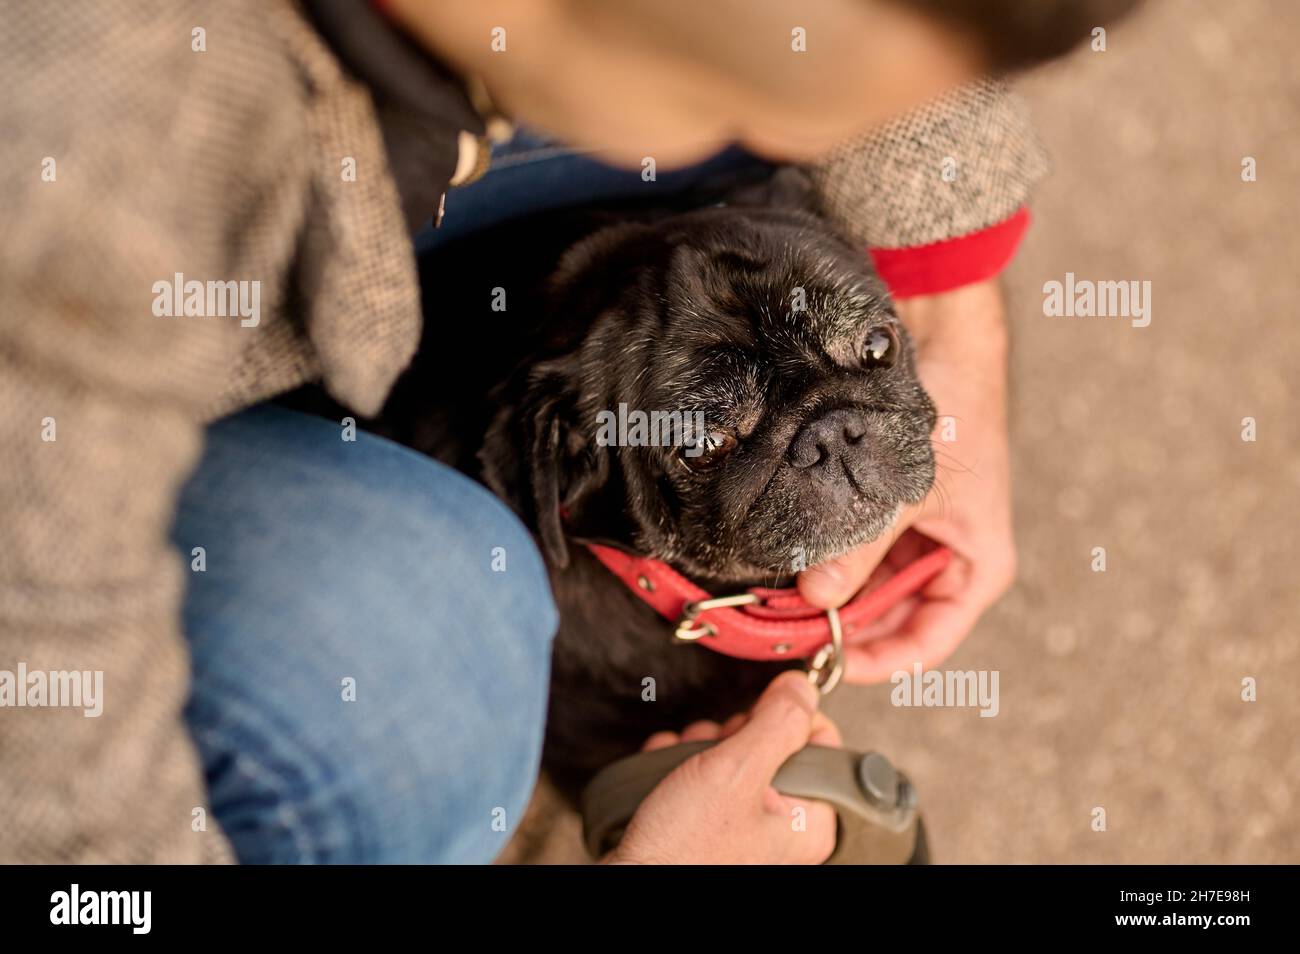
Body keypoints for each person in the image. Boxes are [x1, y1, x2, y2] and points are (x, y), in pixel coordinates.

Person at [0, 0, 1139, 863]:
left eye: (863, 348)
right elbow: (64, 780)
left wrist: (946, 301)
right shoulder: (105, 161)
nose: (837, 438)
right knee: (411, 686)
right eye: (712, 433)